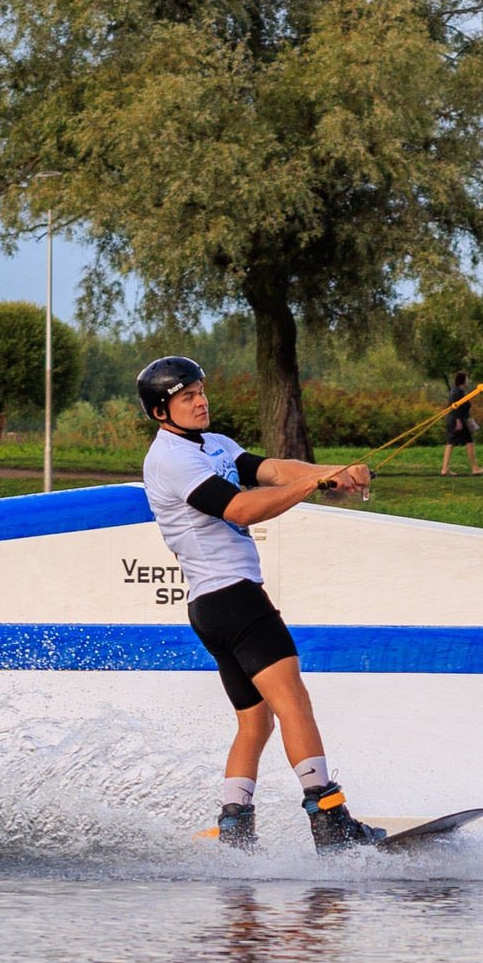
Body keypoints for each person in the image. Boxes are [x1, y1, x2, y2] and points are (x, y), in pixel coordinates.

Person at [136, 355, 383, 852]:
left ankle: (235, 828)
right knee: (293, 702)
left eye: (201, 392)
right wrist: (312, 485)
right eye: (188, 397)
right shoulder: (170, 460)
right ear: (161, 412)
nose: (201, 402)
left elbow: (270, 469)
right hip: (233, 598)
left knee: (256, 721)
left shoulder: (214, 444)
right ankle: (329, 819)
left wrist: (333, 471)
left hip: (212, 606)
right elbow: (240, 508)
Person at [438, 368, 483, 476]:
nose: (468, 380)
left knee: (450, 443)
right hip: (456, 420)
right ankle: (475, 468)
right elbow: (454, 406)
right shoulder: (458, 391)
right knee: (469, 442)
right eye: (467, 378)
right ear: (462, 380)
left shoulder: (457, 391)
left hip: (453, 420)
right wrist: (458, 420)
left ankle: (445, 469)